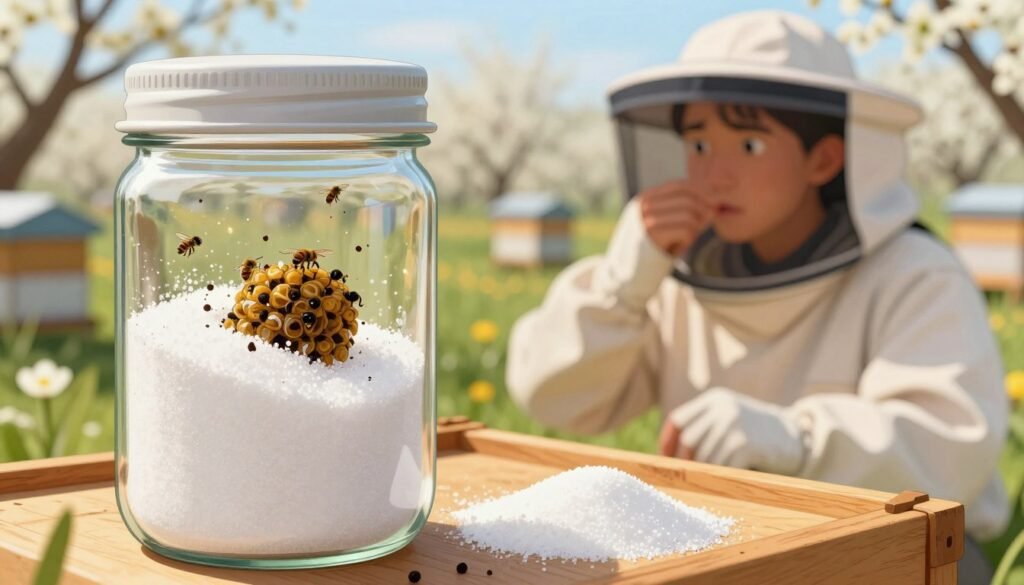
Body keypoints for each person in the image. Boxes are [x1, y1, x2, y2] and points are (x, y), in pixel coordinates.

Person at [505, 11, 1009, 583]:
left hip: (899, 557)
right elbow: (550, 396)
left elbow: (951, 455)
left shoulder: (915, 274)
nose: (712, 175)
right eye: (696, 142)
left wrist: (794, 440)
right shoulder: (674, 278)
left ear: (824, 159)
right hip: (724, 546)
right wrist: (624, 286)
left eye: (747, 144)